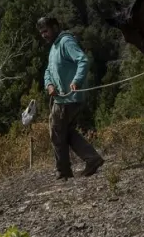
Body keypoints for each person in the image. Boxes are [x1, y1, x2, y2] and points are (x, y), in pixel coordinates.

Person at [37, 15, 104, 180]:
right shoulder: (54, 46)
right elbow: (48, 70)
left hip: (69, 98)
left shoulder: (66, 42)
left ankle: (64, 171)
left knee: (57, 132)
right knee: (66, 132)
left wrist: (76, 81)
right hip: (63, 98)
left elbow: (83, 60)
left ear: (55, 27)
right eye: (41, 32)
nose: (44, 35)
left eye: (46, 31)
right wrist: (49, 85)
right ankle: (91, 159)